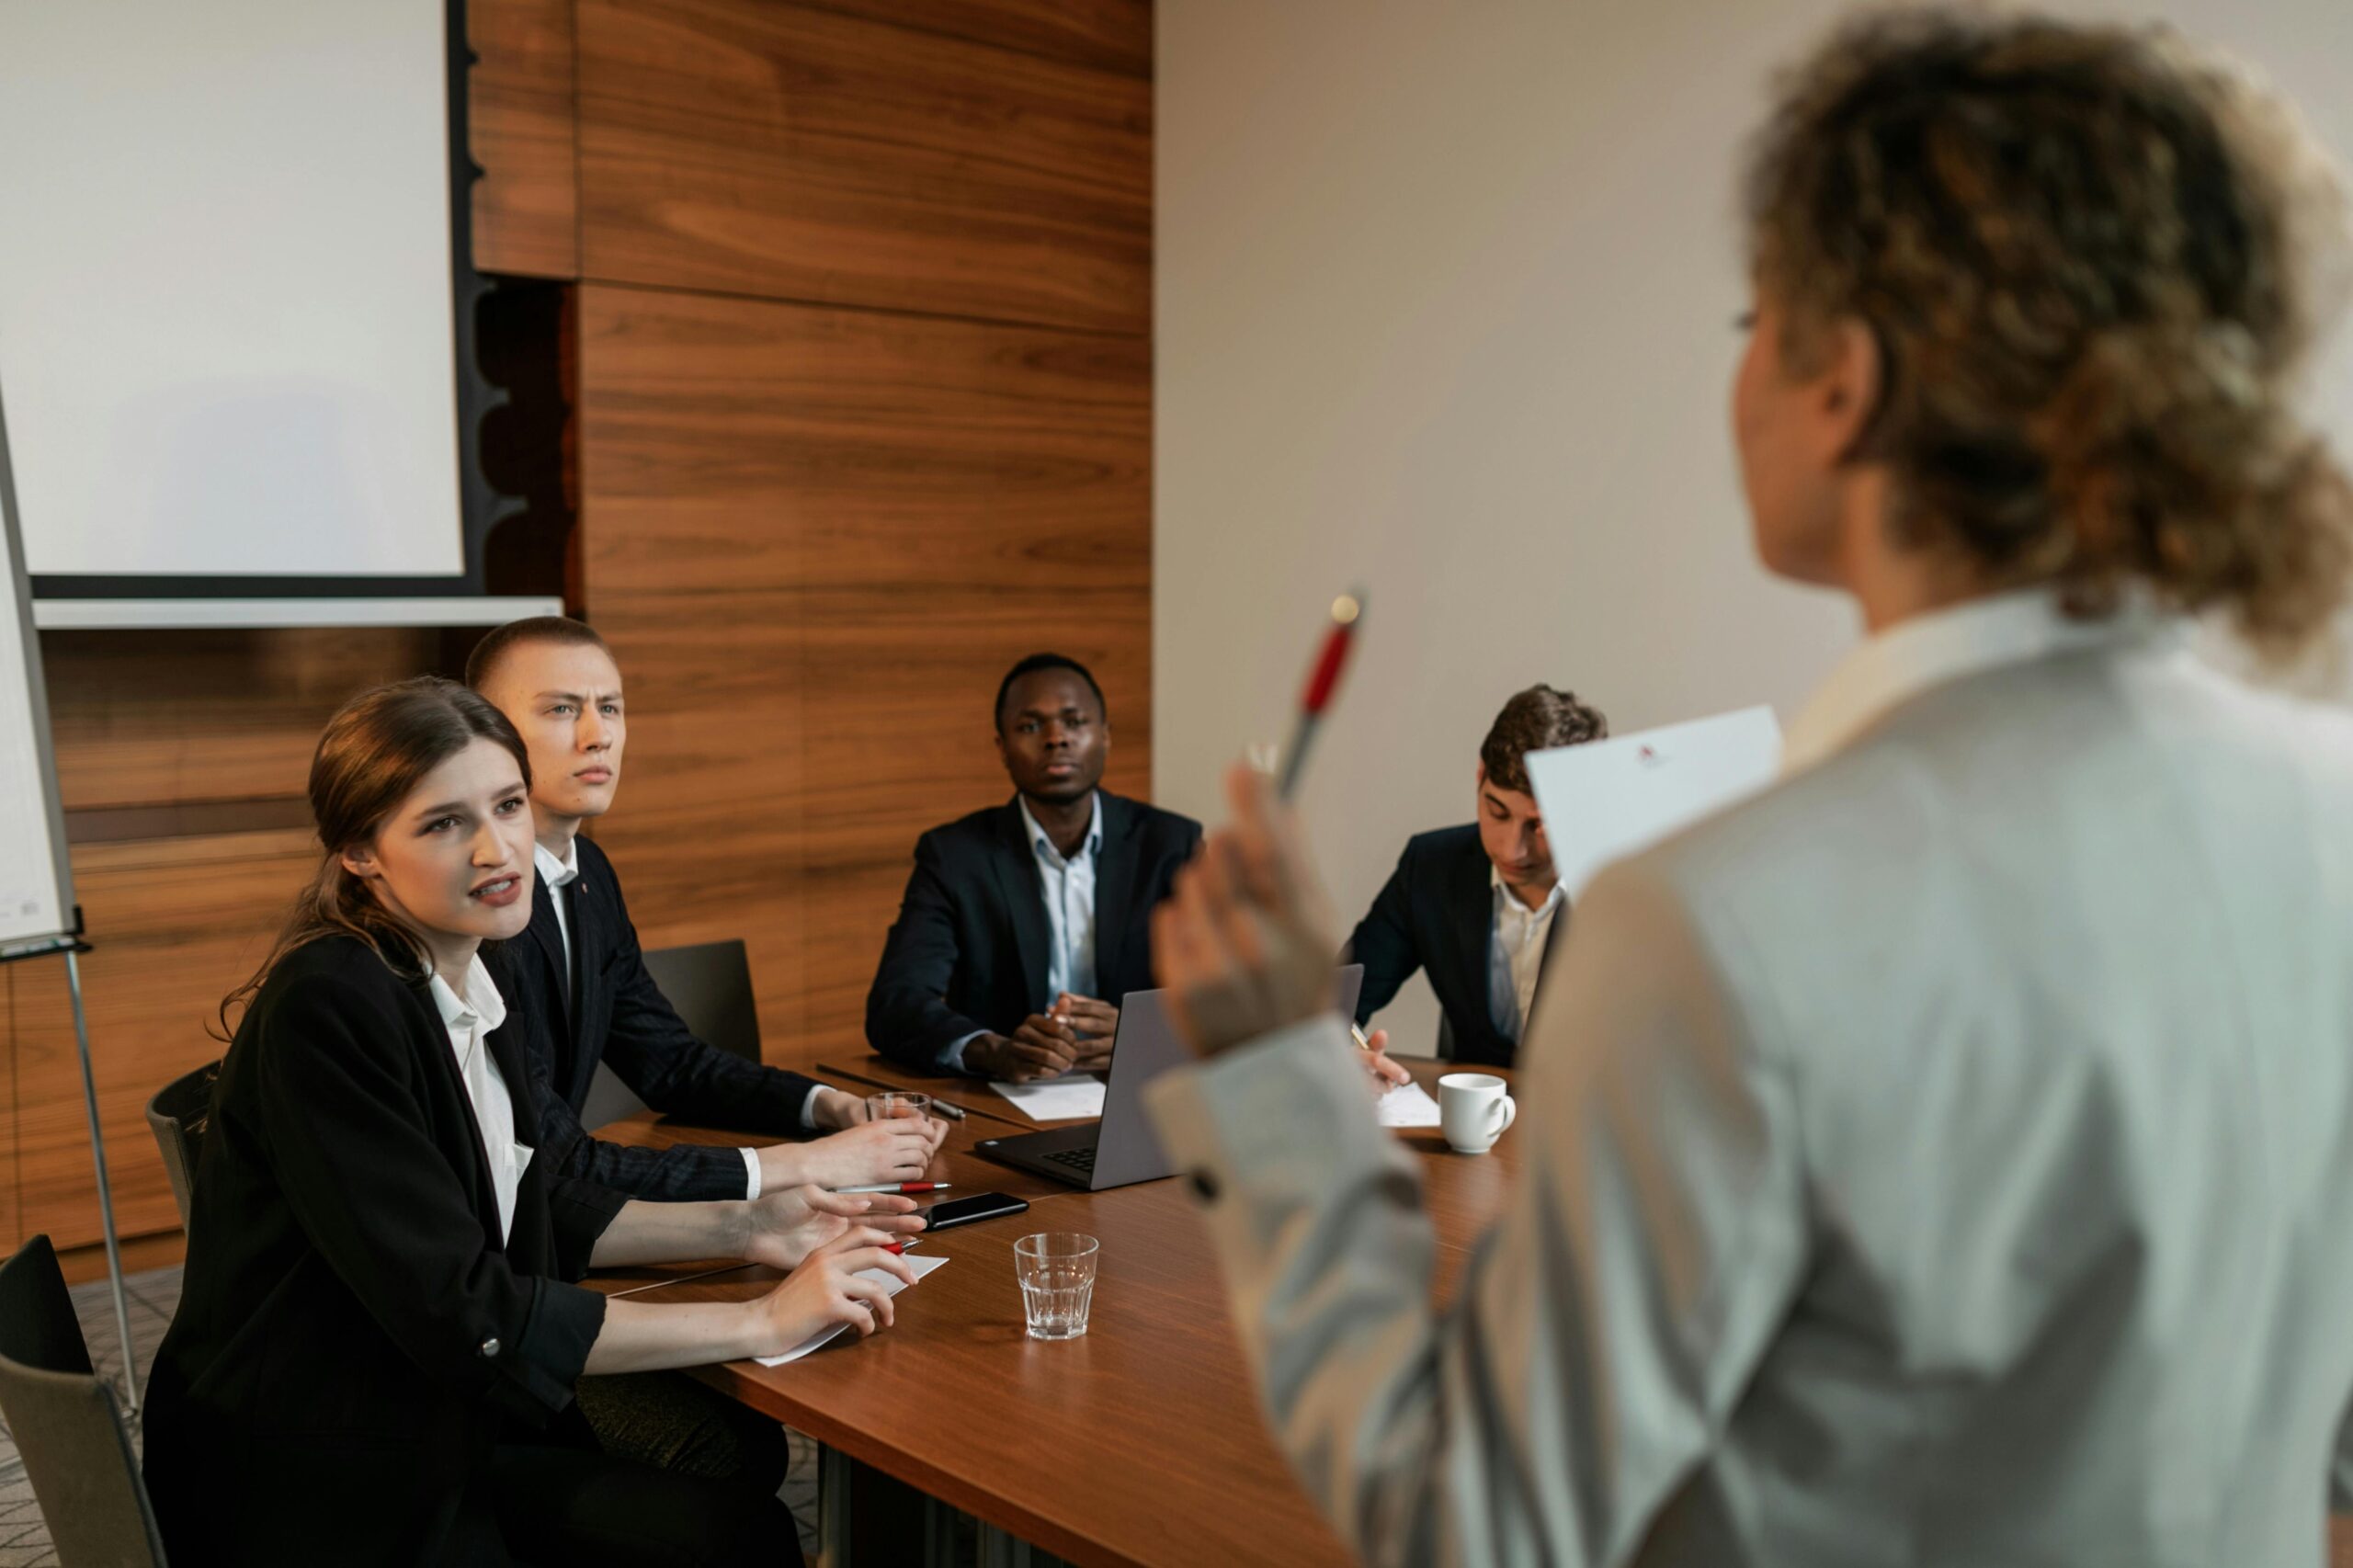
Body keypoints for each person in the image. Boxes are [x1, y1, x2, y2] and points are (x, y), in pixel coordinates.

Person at [1142, 12, 2353, 1565]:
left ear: (1839, 380)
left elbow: (1475, 1523)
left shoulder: (1724, 919)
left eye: (1748, 322)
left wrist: (1270, 1077)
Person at [143, 678, 922, 1566]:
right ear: (361, 852)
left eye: (507, 805)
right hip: (316, 1466)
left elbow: (540, 1191)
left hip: (420, 1413)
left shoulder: (473, 970)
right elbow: (466, 1310)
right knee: (729, 1538)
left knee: (729, 1500)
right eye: (443, 824)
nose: (496, 847)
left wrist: (745, 1225)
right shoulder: (330, 1005)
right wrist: (762, 1322)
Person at [466, 616, 945, 1202]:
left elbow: (669, 1063)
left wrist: (831, 1107)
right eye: (562, 710)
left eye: (610, 708)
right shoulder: (475, 904)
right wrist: (805, 1164)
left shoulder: (587, 872)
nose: (599, 736)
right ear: (486, 731)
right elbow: (555, 1156)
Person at [866, 653, 1202, 1080]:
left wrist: (1138, 1035)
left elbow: (1225, 994)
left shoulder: (1171, 845)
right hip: (1013, 1100)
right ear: (1002, 749)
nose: (1055, 738)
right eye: (1030, 726)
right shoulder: (954, 856)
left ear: (1105, 736)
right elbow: (896, 1003)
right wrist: (992, 1049)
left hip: (1142, 1093)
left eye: (1074, 722)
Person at [1345, 684, 1608, 1072]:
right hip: (1463, 1127)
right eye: (1497, 813)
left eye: (1538, 825)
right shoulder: (1431, 867)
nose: (1511, 850)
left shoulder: (1625, 887)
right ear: (1480, 776)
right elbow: (1331, 1008)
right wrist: (1346, 1059)